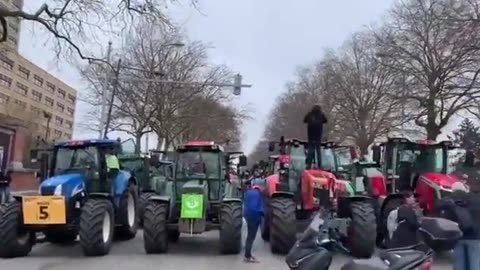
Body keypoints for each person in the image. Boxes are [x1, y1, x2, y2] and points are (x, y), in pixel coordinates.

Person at [437, 182, 479, 270]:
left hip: (457, 236)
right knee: (474, 263)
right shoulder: (476, 199)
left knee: (459, 264)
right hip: (475, 236)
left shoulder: (449, 200)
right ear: (465, 189)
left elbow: (442, 213)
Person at [243, 179, 264, 263]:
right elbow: (259, 207)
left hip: (248, 215)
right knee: (251, 237)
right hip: (255, 216)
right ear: (260, 186)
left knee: (249, 235)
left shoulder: (248, 192)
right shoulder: (259, 194)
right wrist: (263, 214)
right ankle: (247, 256)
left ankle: (248, 254)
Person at [303, 105, 327, 169]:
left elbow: (304, 120)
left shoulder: (310, 114)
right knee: (318, 151)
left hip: (311, 134)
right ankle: (320, 165)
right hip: (318, 135)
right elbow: (325, 120)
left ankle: (308, 165)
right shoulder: (321, 115)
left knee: (310, 150)